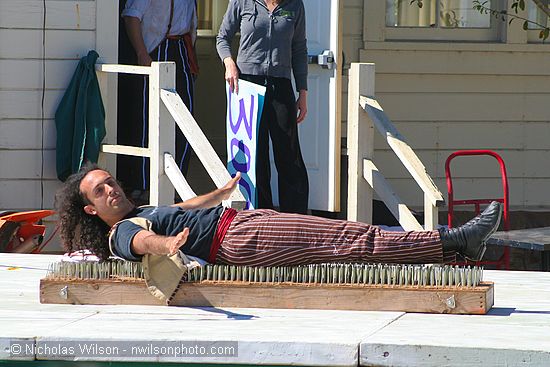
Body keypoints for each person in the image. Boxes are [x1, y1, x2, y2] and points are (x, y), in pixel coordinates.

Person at [55, 164, 502, 267]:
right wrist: (168, 247)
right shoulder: (120, 232)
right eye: (101, 190)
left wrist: (223, 190)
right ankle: (457, 239)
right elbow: (140, 243)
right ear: (92, 210)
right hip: (239, 240)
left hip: (241, 226)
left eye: (110, 180)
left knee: (349, 236)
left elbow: (187, 207)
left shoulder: (147, 209)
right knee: (350, 239)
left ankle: (454, 247)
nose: (112, 188)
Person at [216, 0, 310, 214]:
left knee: (289, 154)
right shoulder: (242, 2)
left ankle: (295, 218)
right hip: (246, 84)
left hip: (281, 84)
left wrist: (302, 92)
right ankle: (260, 216)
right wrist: (229, 63)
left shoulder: (295, 5)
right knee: (255, 155)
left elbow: (299, 48)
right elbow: (222, 37)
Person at [118, 0, 199, 202]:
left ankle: (177, 186)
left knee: (184, 121)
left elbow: (191, 25)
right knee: (148, 120)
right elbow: (131, 16)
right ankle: (144, 184)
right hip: (156, 51)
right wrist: (141, 52)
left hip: (181, 50)